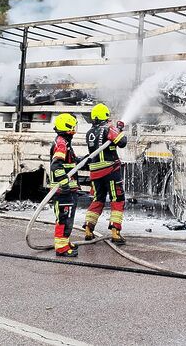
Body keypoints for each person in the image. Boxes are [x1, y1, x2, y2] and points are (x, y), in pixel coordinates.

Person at [84, 103, 128, 244]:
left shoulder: (89, 133)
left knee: (98, 199)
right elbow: (122, 142)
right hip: (110, 170)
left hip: (95, 172)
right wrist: (118, 129)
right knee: (117, 198)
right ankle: (115, 232)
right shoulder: (108, 129)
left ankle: (88, 229)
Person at [50, 113, 81, 257]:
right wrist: (64, 184)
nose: (75, 128)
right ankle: (61, 247)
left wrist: (83, 160)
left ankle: (65, 241)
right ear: (67, 126)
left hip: (68, 189)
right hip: (63, 191)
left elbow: (68, 163)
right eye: (73, 125)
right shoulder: (61, 143)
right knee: (63, 217)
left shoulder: (64, 142)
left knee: (68, 217)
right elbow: (56, 165)